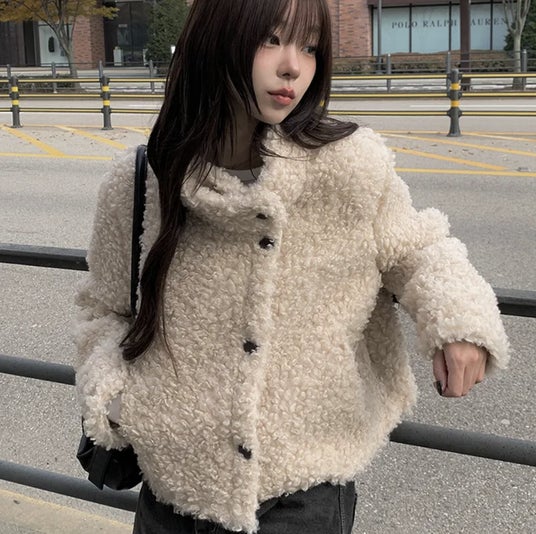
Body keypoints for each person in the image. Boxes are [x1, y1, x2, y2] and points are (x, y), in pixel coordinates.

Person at [74, 0, 509, 533]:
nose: (293, 67)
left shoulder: (348, 164)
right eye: (271, 39)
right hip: (172, 493)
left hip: (304, 491)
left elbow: (418, 248)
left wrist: (459, 322)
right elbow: (104, 309)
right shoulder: (141, 182)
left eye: (309, 47)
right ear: (216, 37)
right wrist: (116, 399)